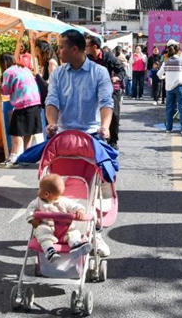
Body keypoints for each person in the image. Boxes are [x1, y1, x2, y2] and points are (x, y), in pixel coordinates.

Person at [45, 29, 114, 256]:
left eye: (61, 46)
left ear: (74, 49)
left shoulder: (99, 72)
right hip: (63, 139)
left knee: (95, 187)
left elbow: (106, 102)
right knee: (59, 188)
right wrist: (52, 123)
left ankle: (97, 233)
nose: (58, 51)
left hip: (91, 138)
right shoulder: (58, 73)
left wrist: (105, 126)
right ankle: (58, 232)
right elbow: (52, 100)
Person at [26, 173, 92, 262]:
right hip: (47, 228)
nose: (38, 191)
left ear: (46, 194)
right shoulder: (37, 202)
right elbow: (30, 209)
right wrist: (32, 219)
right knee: (42, 232)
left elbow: (75, 206)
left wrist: (80, 210)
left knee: (74, 233)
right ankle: (49, 250)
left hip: (65, 230)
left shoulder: (64, 201)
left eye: (39, 189)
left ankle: (76, 245)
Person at [0, 53, 43, 168]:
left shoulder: (8, 72)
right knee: (28, 131)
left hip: (23, 103)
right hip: (35, 101)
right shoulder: (24, 69)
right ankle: (26, 157)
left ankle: (13, 159)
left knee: (16, 132)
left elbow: (5, 90)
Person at [86, 36, 126, 149]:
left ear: (95, 46)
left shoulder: (108, 57)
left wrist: (117, 77)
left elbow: (121, 70)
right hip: (93, 90)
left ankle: (113, 141)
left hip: (110, 89)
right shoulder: (87, 59)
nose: (85, 48)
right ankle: (98, 138)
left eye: (87, 46)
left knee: (114, 114)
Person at [157, 40, 182, 134]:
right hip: (180, 86)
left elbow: (159, 75)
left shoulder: (166, 62)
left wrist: (165, 76)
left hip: (169, 88)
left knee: (169, 109)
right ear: (177, 50)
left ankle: (169, 128)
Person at [34, 39, 59, 108]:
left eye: (37, 51)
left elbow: (53, 81)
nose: (36, 54)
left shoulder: (51, 62)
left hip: (52, 99)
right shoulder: (46, 63)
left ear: (43, 51)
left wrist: (39, 78)